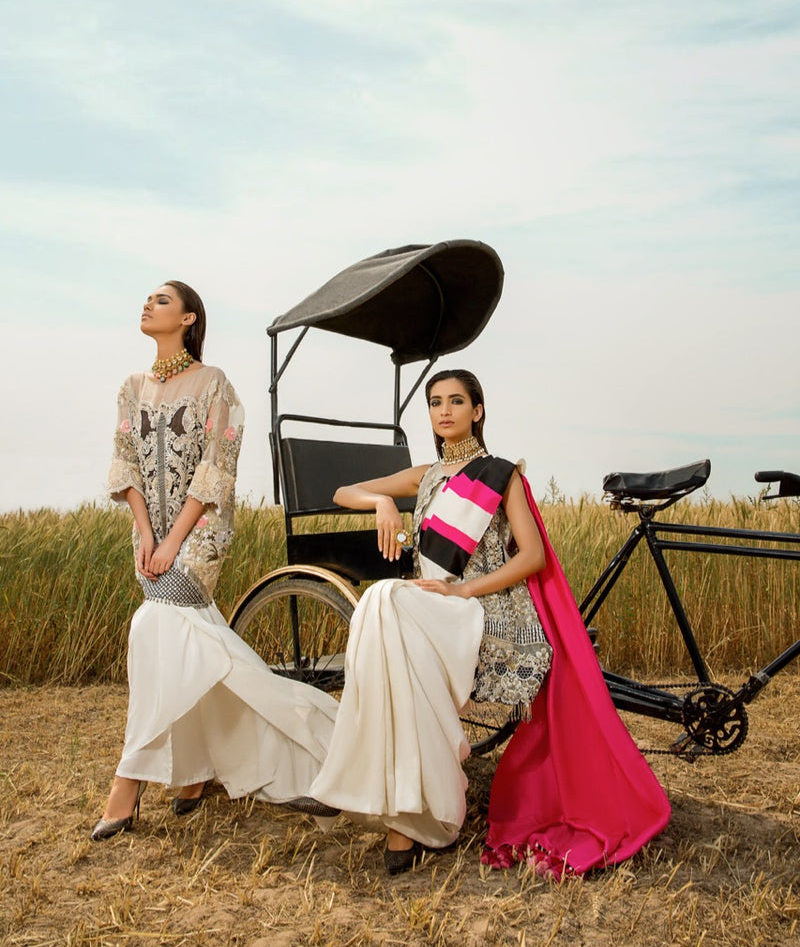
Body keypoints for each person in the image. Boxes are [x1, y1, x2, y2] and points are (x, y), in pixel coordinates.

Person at [298, 369, 671, 877]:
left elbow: (534, 556)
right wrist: (382, 502)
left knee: (383, 600)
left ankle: (365, 789)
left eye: (456, 401)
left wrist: (461, 588)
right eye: (435, 402)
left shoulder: (501, 474)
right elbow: (345, 491)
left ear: (477, 411)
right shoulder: (423, 475)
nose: (444, 410)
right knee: (385, 609)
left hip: (480, 610)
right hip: (426, 606)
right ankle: (405, 814)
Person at [91, 281, 338, 840]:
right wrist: (147, 533)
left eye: (160, 300)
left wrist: (175, 541)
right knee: (185, 641)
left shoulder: (214, 384)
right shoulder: (131, 388)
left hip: (198, 534)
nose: (147, 304)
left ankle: (126, 781)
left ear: (188, 318)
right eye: (146, 298)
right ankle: (195, 776)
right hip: (147, 537)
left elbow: (215, 470)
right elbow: (124, 462)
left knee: (154, 626)